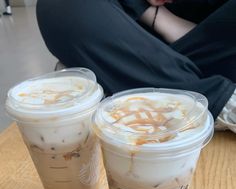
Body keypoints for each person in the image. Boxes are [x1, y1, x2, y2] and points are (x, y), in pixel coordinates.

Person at [36, 0, 236, 132]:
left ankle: (116, 81)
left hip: (216, 37)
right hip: (130, 33)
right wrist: (155, 14)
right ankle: (220, 102)